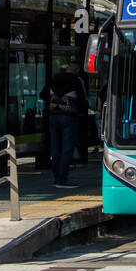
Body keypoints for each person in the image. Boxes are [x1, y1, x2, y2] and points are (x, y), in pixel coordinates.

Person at [40, 61, 88, 190]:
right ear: (77, 70)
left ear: (67, 68)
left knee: (55, 147)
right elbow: (83, 99)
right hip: (69, 115)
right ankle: (63, 178)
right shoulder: (77, 80)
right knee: (67, 148)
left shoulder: (54, 79)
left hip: (53, 115)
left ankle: (56, 178)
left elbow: (43, 94)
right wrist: (82, 112)